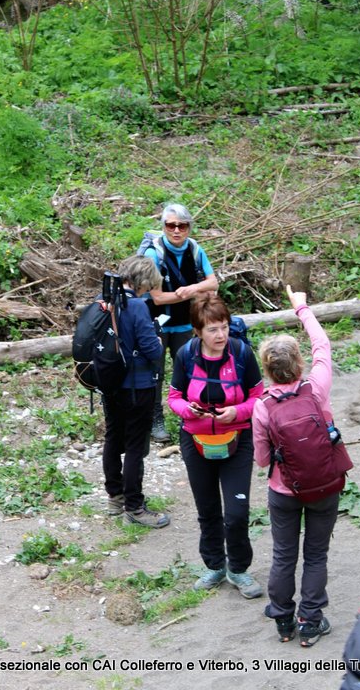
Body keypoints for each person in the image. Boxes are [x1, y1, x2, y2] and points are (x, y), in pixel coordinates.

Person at [252, 284, 340, 646]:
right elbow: (323, 345)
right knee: (316, 555)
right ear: (299, 364)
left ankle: (284, 620)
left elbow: (261, 459)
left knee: (284, 555)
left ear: (267, 370)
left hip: (284, 491)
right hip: (324, 485)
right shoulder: (316, 389)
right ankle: (310, 622)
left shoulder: (262, 406)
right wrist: (301, 308)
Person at [167, 295, 264, 597]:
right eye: (212, 329)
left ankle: (239, 570)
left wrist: (238, 412)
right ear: (198, 331)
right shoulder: (185, 355)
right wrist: (188, 410)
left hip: (238, 438)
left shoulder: (242, 353)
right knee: (207, 509)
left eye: (224, 327)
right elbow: (174, 398)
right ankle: (215, 566)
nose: (221, 335)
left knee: (236, 512)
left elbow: (259, 397)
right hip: (195, 441)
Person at [102, 255, 170, 529]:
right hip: (137, 386)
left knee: (112, 437)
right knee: (134, 445)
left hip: (109, 382)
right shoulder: (137, 306)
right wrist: (157, 340)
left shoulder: (104, 300)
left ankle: (115, 498)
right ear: (143, 281)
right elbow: (152, 350)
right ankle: (134, 506)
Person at [144, 203, 218, 442]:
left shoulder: (195, 249)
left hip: (185, 323)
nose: (176, 230)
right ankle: (155, 418)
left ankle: (189, 414)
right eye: (170, 225)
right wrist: (188, 294)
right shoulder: (153, 254)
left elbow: (213, 283)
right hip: (156, 324)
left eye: (182, 226)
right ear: (163, 226)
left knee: (188, 371)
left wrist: (193, 288)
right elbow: (157, 297)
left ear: (189, 227)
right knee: (155, 373)